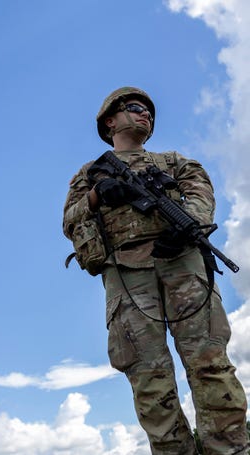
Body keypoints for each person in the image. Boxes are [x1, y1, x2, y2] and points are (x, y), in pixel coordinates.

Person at [63, 86, 249, 454]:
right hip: (126, 273)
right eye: (134, 108)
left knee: (211, 365)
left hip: (182, 262)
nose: (145, 113)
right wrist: (100, 195)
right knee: (150, 380)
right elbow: (70, 220)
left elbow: (201, 198)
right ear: (110, 121)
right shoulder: (90, 173)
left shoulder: (175, 162)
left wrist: (186, 228)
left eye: (149, 110)